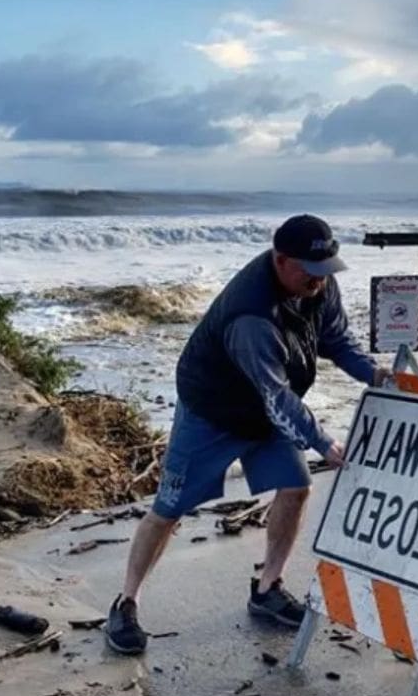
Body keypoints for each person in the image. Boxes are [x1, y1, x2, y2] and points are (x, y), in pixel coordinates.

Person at [105, 214, 387, 655]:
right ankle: (125, 602)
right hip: (213, 413)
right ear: (280, 260)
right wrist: (324, 443)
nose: (320, 282)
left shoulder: (318, 282)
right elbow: (276, 395)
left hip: (268, 411)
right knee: (168, 510)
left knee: (296, 487)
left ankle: (268, 587)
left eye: (327, 270)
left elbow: (337, 339)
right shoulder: (251, 316)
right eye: (311, 273)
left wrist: (375, 374)